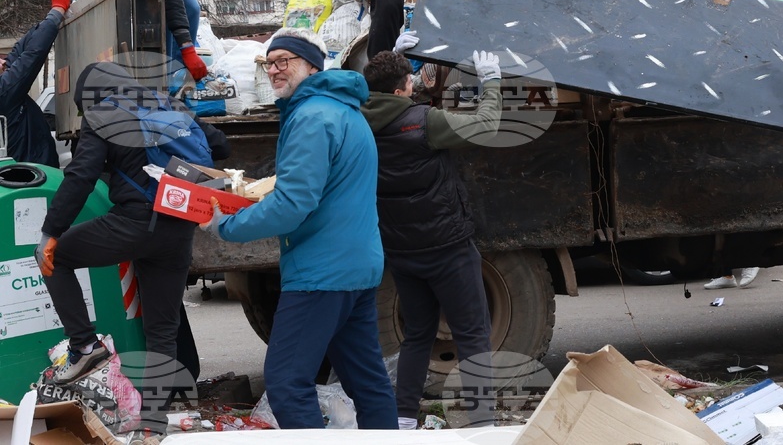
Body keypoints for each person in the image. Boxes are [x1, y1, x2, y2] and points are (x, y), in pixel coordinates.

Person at [200, 28, 397, 430]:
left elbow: (293, 204)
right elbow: (316, 189)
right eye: (269, 62)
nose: (274, 70)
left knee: (287, 383)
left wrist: (227, 226)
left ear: (311, 65)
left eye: (284, 61)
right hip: (356, 267)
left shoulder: (311, 117)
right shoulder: (343, 110)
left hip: (321, 273)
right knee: (368, 383)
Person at [36, 61, 230, 434]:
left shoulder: (105, 114)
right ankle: (153, 424)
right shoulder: (169, 105)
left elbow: (81, 175)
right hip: (178, 228)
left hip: (134, 224)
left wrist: (51, 230)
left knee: (55, 258)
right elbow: (220, 145)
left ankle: (85, 346)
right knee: (163, 327)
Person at [361, 41, 501, 429]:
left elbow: (374, 91)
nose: (414, 85)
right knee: (472, 334)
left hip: (402, 251)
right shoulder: (427, 122)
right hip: (448, 248)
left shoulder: (357, 121)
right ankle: (482, 424)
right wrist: (491, 82)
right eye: (410, 80)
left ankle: (404, 418)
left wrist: (393, 55)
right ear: (401, 89)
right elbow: (487, 124)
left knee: (418, 335)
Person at [1, 0, 74, 166]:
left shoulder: (6, 89)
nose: (3, 62)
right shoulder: (4, 91)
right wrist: (57, 10)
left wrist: (48, 20)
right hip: (31, 175)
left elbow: (21, 51)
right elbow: (32, 55)